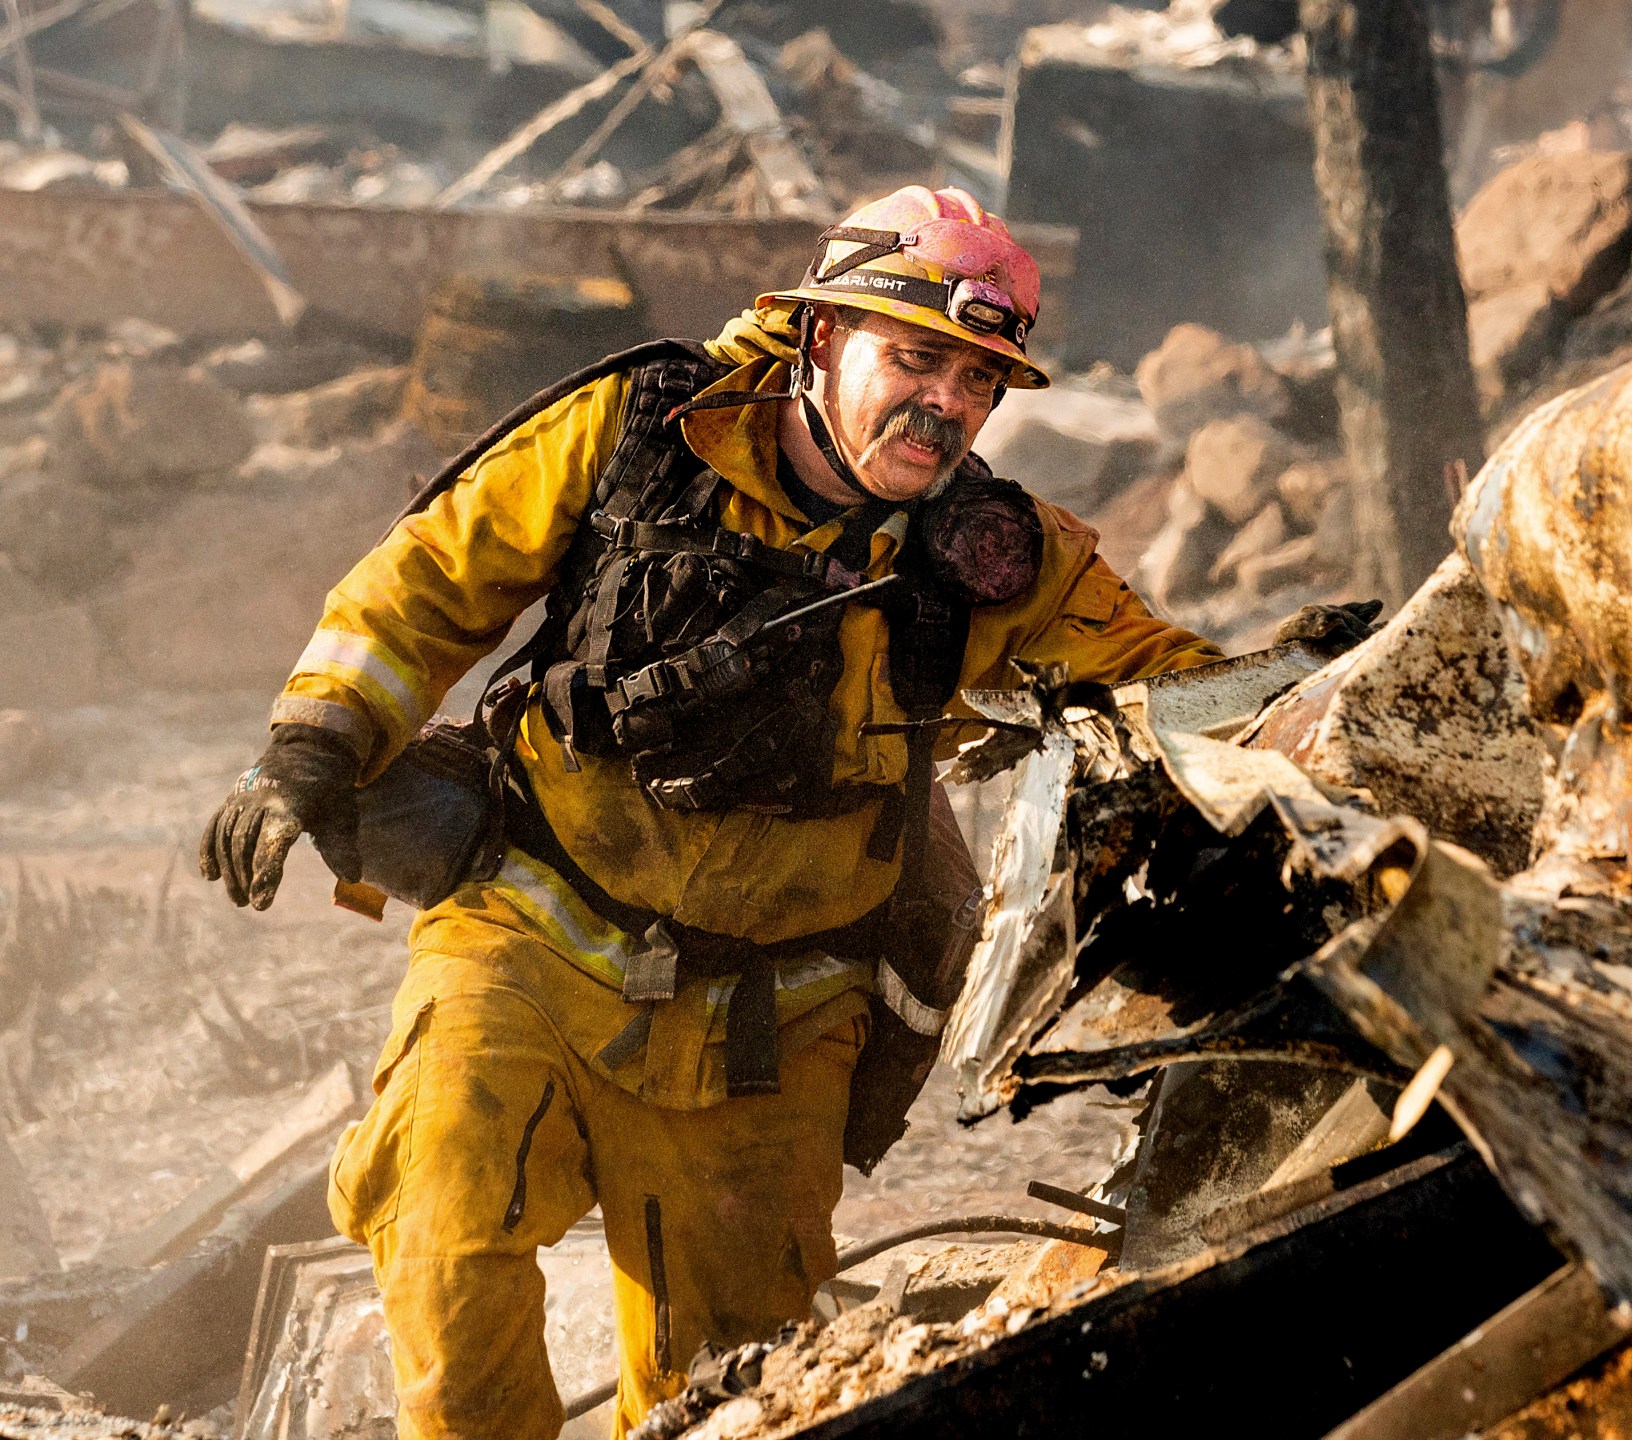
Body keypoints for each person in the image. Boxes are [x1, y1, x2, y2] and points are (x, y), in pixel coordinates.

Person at [196, 185, 1286, 1437]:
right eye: (916, 358)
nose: (946, 402)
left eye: (979, 380)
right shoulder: (641, 435)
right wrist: (311, 745)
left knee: (739, 1392)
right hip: (532, 933)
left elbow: (1180, 687)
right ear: (821, 338)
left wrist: (1333, 685)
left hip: (776, 1015)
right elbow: (425, 586)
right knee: (443, 1206)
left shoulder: (987, 559)